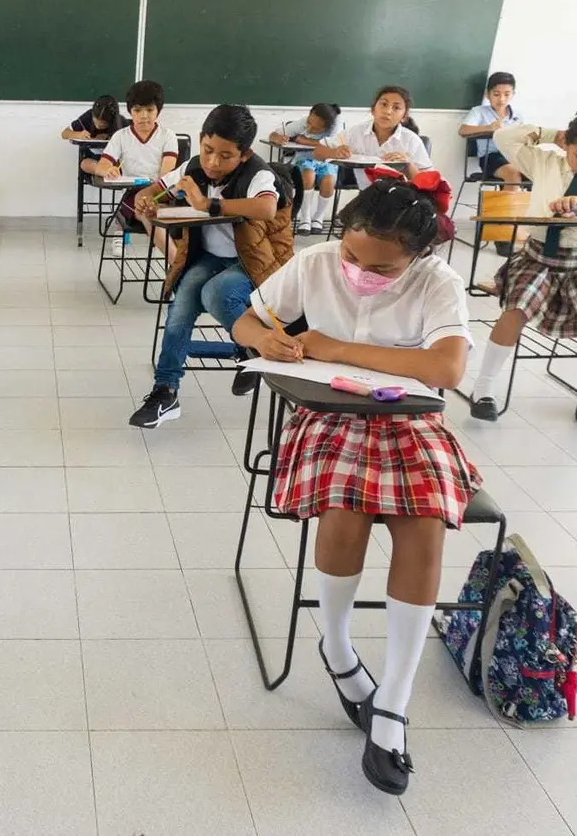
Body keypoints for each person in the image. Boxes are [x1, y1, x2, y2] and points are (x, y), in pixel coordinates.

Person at [232, 178, 477, 795]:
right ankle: (337, 649)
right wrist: (266, 338)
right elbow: (246, 321)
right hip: (329, 417)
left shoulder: (436, 282)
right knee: (345, 507)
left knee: (423, 526)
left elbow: (445, 367)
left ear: (417, 255)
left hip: (411, 421)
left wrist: (339, 347)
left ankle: (392, 700)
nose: (361, 272)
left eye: (382, 267)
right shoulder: (314, 263)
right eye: (352, 255)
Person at [470, 103, 577, 423]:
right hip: (538, 258)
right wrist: (551, 134)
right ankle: (483, 387)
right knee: (515, 311)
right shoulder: (544, 161)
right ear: (567, 143)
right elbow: (503, 136)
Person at [129, 104, 293, 428]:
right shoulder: (193, 167)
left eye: (225, 156)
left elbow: (267, 207)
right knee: (184, 300)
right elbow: (156, 189)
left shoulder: (258, 173)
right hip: (209, 258)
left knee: (216, 293)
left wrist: (209, 204)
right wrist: (145, 200)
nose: (213, 162)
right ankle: (166, 389)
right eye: (207, 150)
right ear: (201, 140)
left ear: (243, 155)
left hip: (256, 263)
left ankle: (254, 351)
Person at [95, 80, 180, 256]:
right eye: (137, 110)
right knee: (146, 211)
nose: (143, 116)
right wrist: (107, 170)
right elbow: (102, 165)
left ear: (158, 111)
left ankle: (174, 256)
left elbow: (167, 173)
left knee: (162, 210)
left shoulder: (168, 136)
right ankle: (175, 263)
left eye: (150, 110)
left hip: (160, 192)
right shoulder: (121, 136)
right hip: (132, 193)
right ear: (130, 112)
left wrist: (156, 193)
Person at [314, 86, 432, 190]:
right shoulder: (355, 133)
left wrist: (408, 164)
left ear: (404, 116)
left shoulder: (411, 140)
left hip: (402, 199)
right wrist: (334, 152)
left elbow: (428, 183)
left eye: (396, 108)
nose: (387, 111)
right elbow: (317, 151)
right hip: (367, 198)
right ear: (373, 109)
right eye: (383, 104)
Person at [269, 102, 342, 233]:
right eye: (309, 122)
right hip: (305, 159)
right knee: (308, 176)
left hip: (326, 160)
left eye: (315, 128)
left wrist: (305, 140)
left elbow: (333, 145)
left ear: (326, 128)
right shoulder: (302, 123)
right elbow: (273, 134)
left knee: (329, 181)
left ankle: (318, 217)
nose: (309, 128)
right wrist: (277, 138)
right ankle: (305, 218)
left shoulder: (335, 127)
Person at [458, 72, 522, 189]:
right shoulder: (479, 111)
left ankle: (522, 206)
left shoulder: (518, 115)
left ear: (513, 94)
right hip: (491, 157)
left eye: (507, 94)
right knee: (514, 175)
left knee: (539, 172)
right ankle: (506, 208)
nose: (502, 99)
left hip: (514, 155)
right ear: (488, 94)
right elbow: (463, 131)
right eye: (496, 94)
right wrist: (489, 128)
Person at [61, 95, 128, 175]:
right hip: (94, 159)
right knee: (85, 164)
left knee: (128, 164)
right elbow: (64, 133)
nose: (98, 126)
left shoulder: (121, 122)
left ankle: (109, 171)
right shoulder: (88, 116)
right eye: (95, 121)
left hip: (115, 159)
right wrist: (78, 134)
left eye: (103, 125)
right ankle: (105, 172)